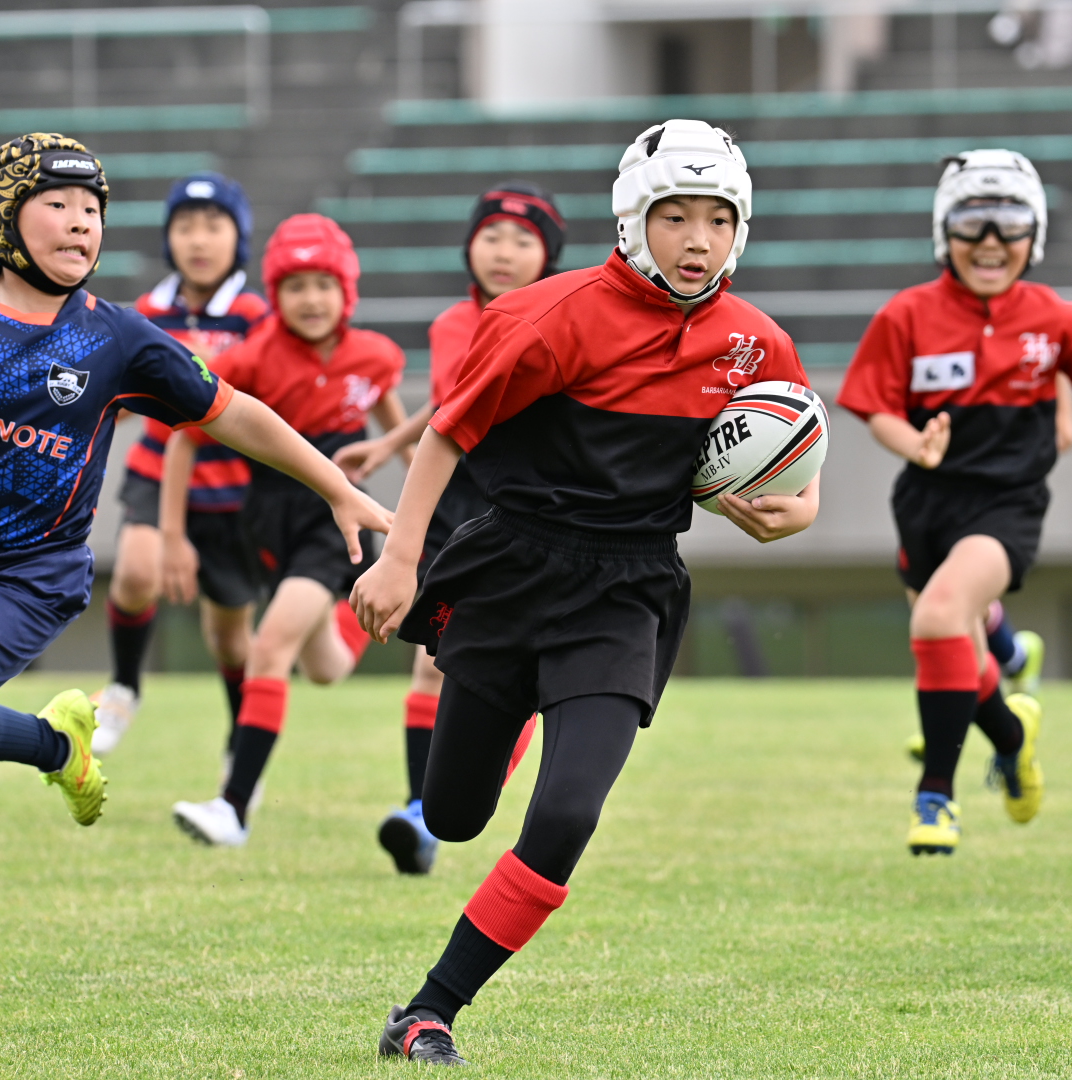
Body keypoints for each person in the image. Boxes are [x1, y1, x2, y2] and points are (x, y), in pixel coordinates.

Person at [0, 135, 391, 1011]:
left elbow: (235, 413)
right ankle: (59, 747)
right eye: (57, 205)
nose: (80, 223)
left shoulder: (117, 337)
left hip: (35, 574)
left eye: (92, 210)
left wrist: (338, 489)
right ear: (3, 218)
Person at [351, 119, 821, 1065]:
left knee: (566, 816)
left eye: (719, 220)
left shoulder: (754, 342)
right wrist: (399, 559)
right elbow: (447, 433)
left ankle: (430, 1011)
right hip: (513, 569)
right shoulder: (546, 315)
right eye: (676, 217)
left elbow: (801, 472)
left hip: (629, 589)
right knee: (452, 815)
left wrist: (793, 515)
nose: (698, 241)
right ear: (633, 219)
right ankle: (518, 707)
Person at [837, 149, 1072, 857]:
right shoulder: (907, 315)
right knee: (955, 646)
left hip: (1007, 507)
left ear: (1035, 233)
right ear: (944, 231)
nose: (991, 241)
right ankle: (1013, 738)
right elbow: (873, 406)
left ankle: (936, 796)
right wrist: (914, 444)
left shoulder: (1053, 318)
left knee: (938, 617)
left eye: (1010, 223)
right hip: (924, 504)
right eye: (972, 222)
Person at [335, 181, 566, 875]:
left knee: (513, 667)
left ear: (549, 256)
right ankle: (420, 813)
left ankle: (460, 797)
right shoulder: (448, 325)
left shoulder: (561, 317)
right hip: (456, 500)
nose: (504, 251)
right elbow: (452, 404)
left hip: (524, 502)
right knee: (430, 659)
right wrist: (387, 445)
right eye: (491, 235)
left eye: (523, 240)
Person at [169, 213, 409, 848]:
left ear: (347, 292)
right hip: (269, 522)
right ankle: (354, 617)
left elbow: (405, 437)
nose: (311, 299)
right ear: (275, 294)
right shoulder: (251, 356)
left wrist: (430, 502)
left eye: (324, 285)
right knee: (324, 667)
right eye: (295, 286)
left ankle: (233, 807)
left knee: (269, 646)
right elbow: (185, 439)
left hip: (335, 524)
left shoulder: (375, 357)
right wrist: (171, 535)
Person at [94, 172, 268, 756]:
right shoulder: (147, 310)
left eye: (213, 226)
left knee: (229, 637)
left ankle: (241, 742)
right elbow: (121, 395)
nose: (198, 239)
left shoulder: (255, 314)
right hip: (155, 470)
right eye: (185, 226)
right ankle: (123, 687)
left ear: (238, 237)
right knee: (135, 573)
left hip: (233, 491)